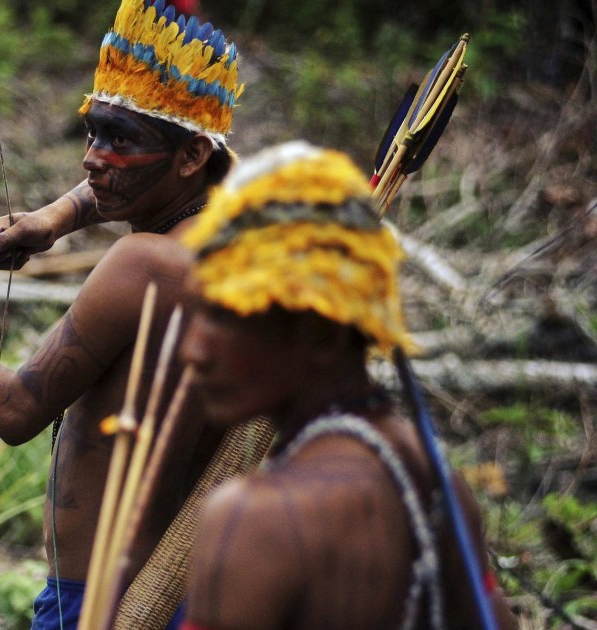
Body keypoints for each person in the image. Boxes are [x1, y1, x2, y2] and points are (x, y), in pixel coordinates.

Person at [0, 1, 243, 627]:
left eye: (121, 140)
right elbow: (136, 179)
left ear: (192, 156)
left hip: (99, 603)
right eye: (93, 132)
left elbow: (14, 411)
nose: (92, 158)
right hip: (177, 589)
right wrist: (56, 218)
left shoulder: (144, 264)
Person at [175, 141, 518, 629]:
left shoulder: (255, 519)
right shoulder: (436, 480)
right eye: (195, 315)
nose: (194, 351)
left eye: (227, 316)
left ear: (322, 334)